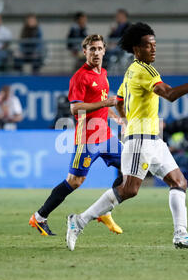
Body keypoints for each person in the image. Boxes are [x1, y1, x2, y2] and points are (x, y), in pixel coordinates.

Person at [66, 23, 188, 251]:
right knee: (129, 190)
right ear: (137, 49)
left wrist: (125, 121)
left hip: (153, 140)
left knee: (179, 182)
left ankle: (181, 235)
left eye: (155, 45)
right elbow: (169, 94)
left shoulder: (131, 71)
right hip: (140, 141)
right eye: (148, 46)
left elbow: (118, 101)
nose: (153, 50)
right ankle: (79, 221)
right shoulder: (144, 71)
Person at [29, 34, 125, 236]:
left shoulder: (103, 73)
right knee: (74, 182)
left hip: (106, 136)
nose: (96, 52)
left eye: (99, 48)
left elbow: (101, 101)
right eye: (92, 49)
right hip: (87, 138)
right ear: (85, 52)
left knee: (130, 166)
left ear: (104, 50)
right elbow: (75, 109)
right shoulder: (79, 77)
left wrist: (116, 118)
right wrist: (106, 103)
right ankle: (39, 217)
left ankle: (104, 210)